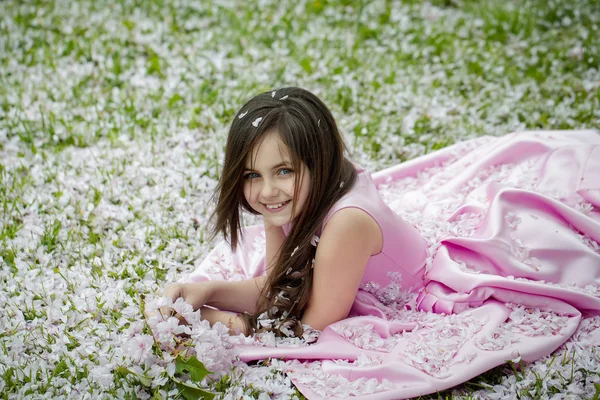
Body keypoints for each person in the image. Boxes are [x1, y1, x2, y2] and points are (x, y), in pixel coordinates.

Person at [163, 86, 427, 337]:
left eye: (284, 171)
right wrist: (206, 291)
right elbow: (279, 289)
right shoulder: (288, 199)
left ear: (320, 162)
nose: (267, 191)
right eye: (252, 174)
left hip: (412, 296)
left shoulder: (347, 223)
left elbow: (311, 329)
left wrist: (221, 321)